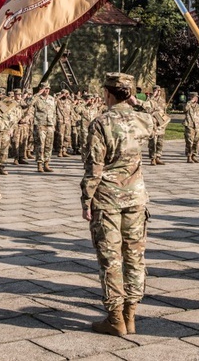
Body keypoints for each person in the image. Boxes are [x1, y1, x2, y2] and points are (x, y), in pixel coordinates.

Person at [81, 73, 154, 337]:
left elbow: (94, 168)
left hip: (108, 198)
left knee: (111, 258)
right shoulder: (142, 119)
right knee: (134, 256)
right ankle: (130, 315)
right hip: (135, 197)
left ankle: (115, 318)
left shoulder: (100, 123)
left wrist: (86, 199)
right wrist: (138, 103)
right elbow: (160, 118)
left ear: (109, 93)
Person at [32, 82, 56, 172]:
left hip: (50, 124)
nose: (47, 90)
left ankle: (46, 163)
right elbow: (27, 103)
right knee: (40, 145)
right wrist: (37, 94)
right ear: (41, 89)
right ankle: (39, 164)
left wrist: (54, 124)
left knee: (49, 145)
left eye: (48, 89)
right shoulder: (37, 98)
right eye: (45, 88)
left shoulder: (51, 99)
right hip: (40, 124)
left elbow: (54, 113)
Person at [183, 91, 199, 163]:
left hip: (197, 126)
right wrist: (190, 101)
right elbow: (185, 109)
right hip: (189, 125)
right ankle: (189, 156)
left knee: (196, 142)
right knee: (189, 142)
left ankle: (194, 155)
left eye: (196, 97)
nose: (196, 98)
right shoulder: (187, 105)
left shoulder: (198, 106)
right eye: (195, 97)